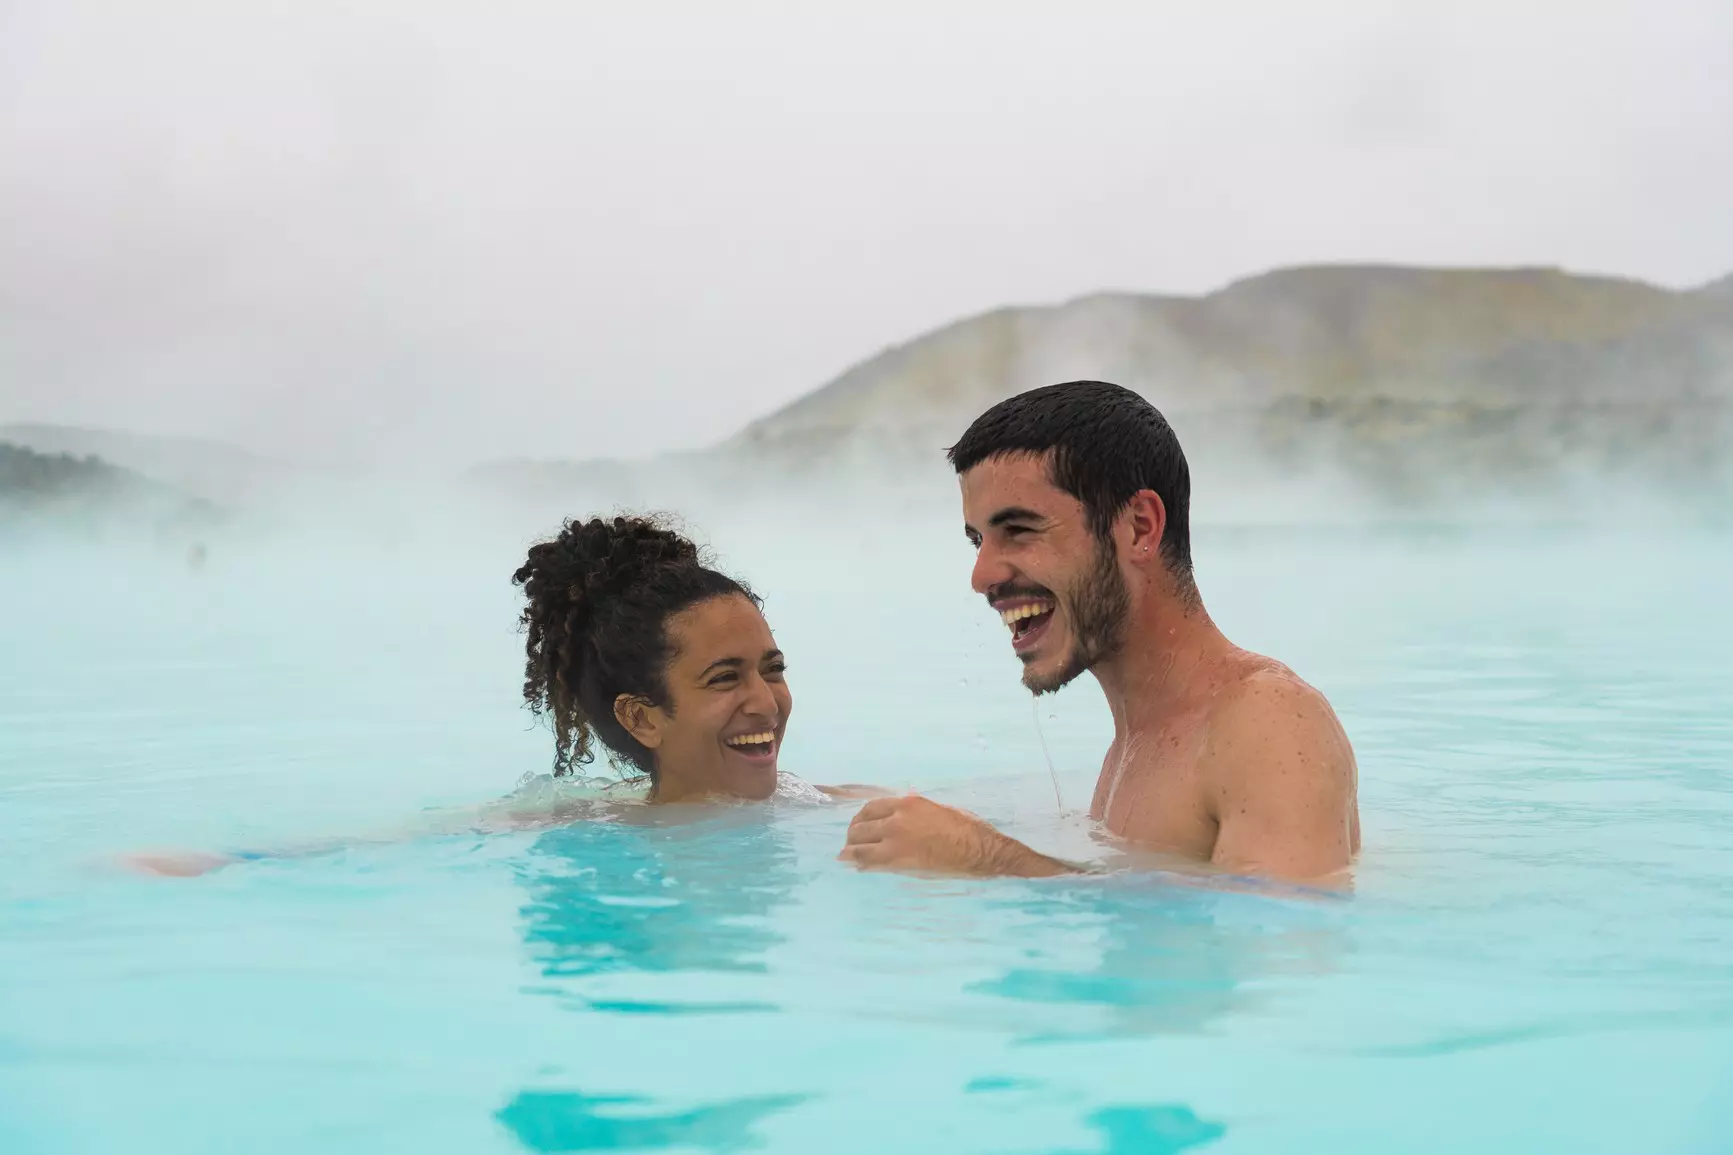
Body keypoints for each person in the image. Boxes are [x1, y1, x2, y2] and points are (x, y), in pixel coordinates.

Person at [126, 515, 873, 876]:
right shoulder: (592, 827)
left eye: (770, 668)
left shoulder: (825, 807)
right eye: (724, 676)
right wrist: (221, 859)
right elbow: (397, 841)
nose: (764, 700)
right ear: (642, 716)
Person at [840, 381, 1360, 884]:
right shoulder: (1137, 742)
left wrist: (990, 860)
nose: (982, 576)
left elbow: (1285, 929)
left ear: (1139, 527)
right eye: (978, 539)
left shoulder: (1266, 721)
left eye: (1018, 530)